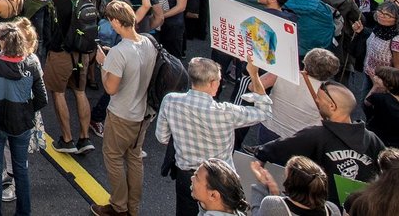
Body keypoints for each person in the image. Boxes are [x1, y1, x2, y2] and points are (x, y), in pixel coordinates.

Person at [156, 58, 271, 216]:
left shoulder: (170, 101)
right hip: (220, 181)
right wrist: (254, 74)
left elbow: (162, 137)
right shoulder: (226, 112)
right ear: (212, 83)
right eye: (219, 79)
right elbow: (264, 111)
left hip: (187, 175)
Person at [256, 81, 388, 202]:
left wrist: (259, 156)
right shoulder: (372, 139)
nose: (317, 101)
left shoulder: (316, 135)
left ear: (331, 106)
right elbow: (391, 170)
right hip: (360, 207)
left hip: (321, 207)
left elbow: (272, 150)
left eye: (319, 100)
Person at [92, 0, 157, 216]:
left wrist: (103, 63)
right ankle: (133, 207)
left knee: (113, 157)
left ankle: (119, 206)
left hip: (122, 113)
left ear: (117, 22)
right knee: (135, 158)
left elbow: (111, 88)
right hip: (142, 114)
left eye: (111, 21)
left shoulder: (119, 52)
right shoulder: (148, 43)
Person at [0, 21, 47, 216]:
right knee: (21, 169)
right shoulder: (31, 63)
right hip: (21, 125)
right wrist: (25, 109)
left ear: (3, 43)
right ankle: (24, 212)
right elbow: (42, 99)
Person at [36, 0, 95, 154]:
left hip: (61, 53)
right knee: (80, 92)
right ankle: (85, 137)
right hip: (82, 53)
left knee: (59, 93)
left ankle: (67, 139)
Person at [246, 155, 340, 216]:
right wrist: (277, 193)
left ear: (291, 184)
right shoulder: (332, 210)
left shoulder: (273, 205)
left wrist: (261, 184)